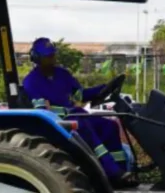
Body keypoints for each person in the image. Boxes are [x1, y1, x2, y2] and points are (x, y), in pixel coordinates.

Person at [22, 37, 134, 185]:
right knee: (85, 126)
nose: (52, 59)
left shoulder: (62, 74)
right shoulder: (31, 81)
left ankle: (122, 172)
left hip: (76, 114)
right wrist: (61, 112)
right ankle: (112, 172)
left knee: (110, 126)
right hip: (59, 122)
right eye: (48, 56)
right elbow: (42, 110)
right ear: (37, 58)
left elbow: (80, 95)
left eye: (53, 55)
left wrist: (103, 88)